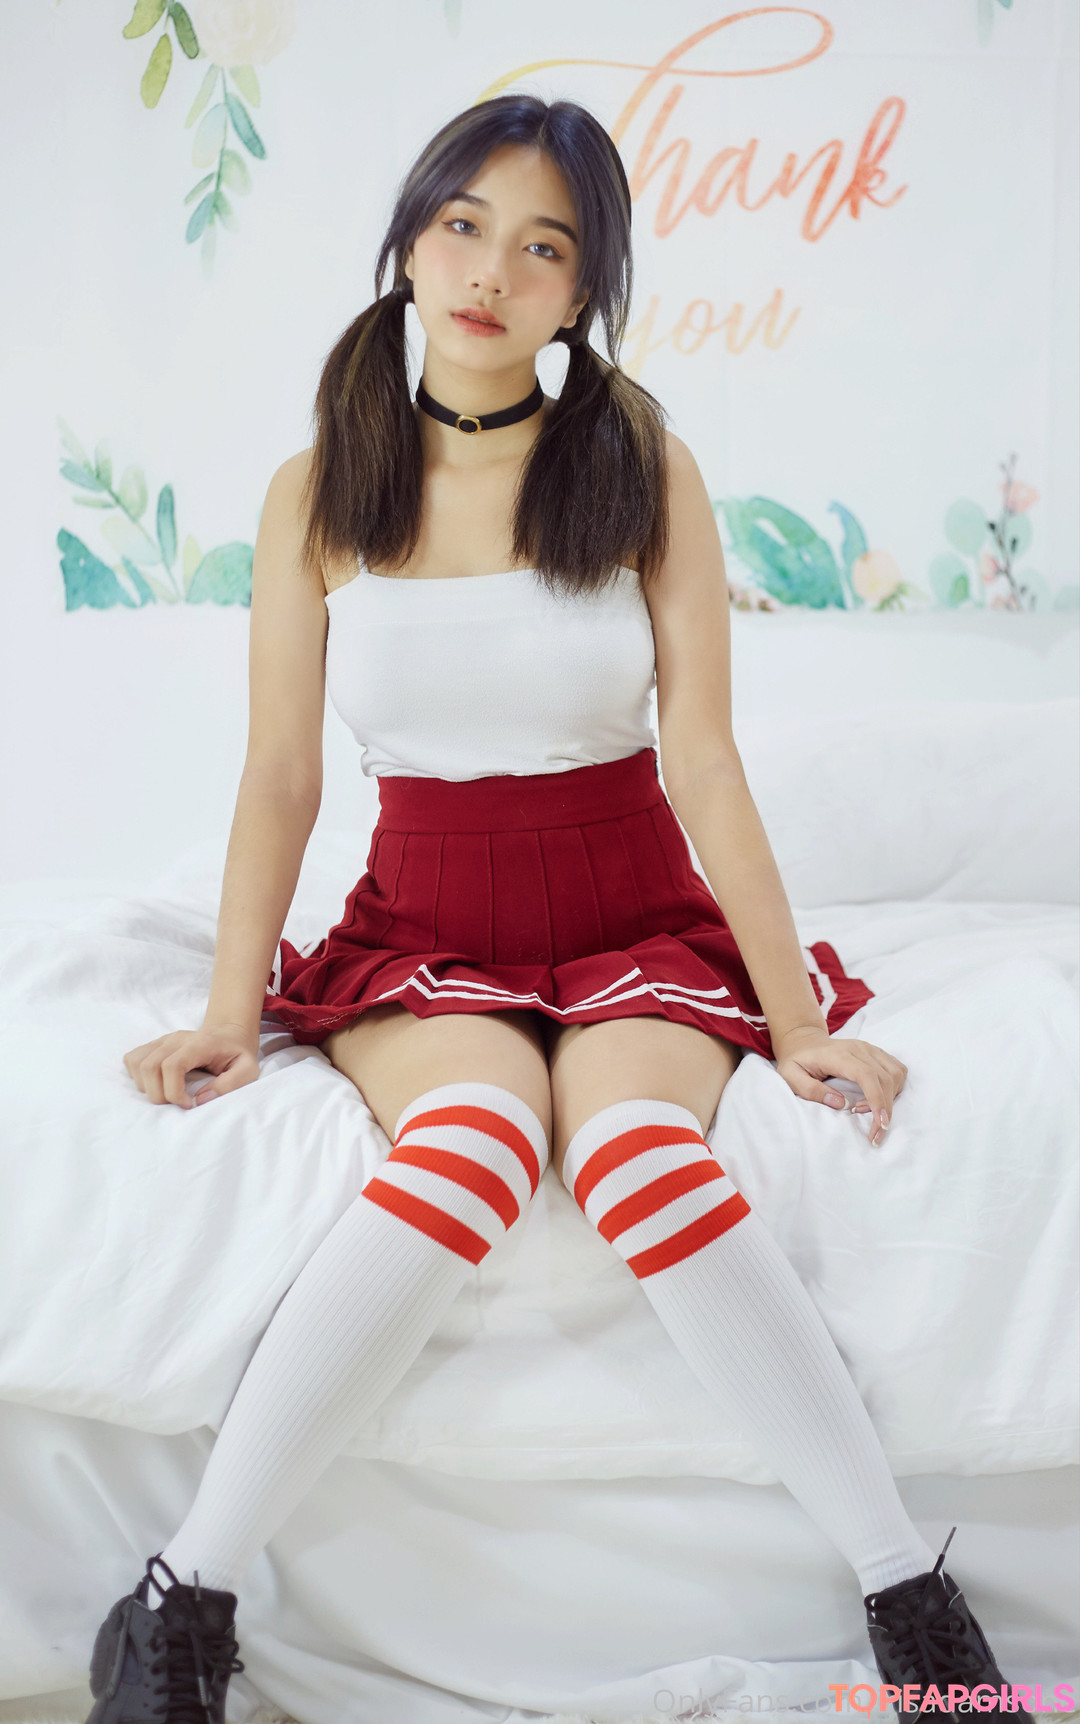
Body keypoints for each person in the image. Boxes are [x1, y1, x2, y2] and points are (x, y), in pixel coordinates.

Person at [83, 95, 1029, 1724]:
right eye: (463, 226)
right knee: (472, 1147)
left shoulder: (639, 463)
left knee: (642, 1155)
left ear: (583, 292)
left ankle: (909, 1592)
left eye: (543, 249)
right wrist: (233, 1015)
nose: (491, 274)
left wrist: (798, 1022)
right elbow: (280, 775)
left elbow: (707, 762)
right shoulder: (321, 488)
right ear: (409, 237)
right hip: (424, 926)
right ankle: (186, 1596)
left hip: (629, 912)